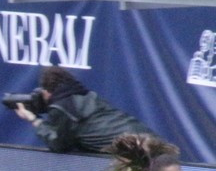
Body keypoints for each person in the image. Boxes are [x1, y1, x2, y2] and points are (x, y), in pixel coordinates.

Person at [12, 66, 155, 154]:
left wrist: (34, 120)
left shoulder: (60, 108)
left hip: (136, 152)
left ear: (47, 91)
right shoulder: (88, 95)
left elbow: (59, 144)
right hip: (151, 140)